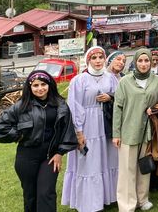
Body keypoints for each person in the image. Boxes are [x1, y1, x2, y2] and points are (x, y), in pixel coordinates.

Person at [0, 70, 78, 212]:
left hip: (50, 156)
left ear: (49, 84)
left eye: (43, 84)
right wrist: (18, 135)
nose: (40, 88)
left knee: (46, 193)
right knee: (30, 195)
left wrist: (59, 153)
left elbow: (67, 131)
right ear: (30, 88)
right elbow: (0, 128)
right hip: (26, 157)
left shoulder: (61, 105)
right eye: (35, 85)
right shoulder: (22, 106)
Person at [62, 46, 119, 212]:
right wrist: (79, 132)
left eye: (101, 57)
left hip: (106, 125)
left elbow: (120, 97)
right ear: (88, 60)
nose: (98, 61)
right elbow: (74, 106)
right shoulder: (79, 80)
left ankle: (107, 197)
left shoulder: (111, 78)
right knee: (89, 162)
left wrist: (110, 97)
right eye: (94, 58)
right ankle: (89, 202)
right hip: (88, 125)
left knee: (108, 159)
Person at [112, 48, 158, 212]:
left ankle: (142, 199)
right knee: (127, 169)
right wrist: (116, 133)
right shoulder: (125, 82)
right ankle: (127, 204)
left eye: (147, 61)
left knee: (144, 166)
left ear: (152, 61)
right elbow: (118, 108)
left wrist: (157, 108)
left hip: (148, 130)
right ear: (135, 62)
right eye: (140, 61)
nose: (144, 64)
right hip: (128, 130)